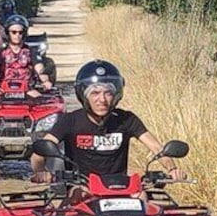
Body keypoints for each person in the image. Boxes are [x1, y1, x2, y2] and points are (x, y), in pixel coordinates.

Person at [30, 60, 185, 184]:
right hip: (82, 187)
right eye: (95, 93)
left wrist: (172, 169)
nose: (102, 100)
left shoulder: (127, 119)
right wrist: (41, 172)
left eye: (108, 93)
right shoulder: (71, 120)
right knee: (73, 201)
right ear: (84, 96)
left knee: (142, 198)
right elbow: (39, 152)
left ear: (116, 95)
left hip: (120, 187)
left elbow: (157, 148)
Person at [0, 14, 52, 97]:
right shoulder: (1, 52)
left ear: (25, 33)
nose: (17, 35)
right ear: (8, 33)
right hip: (3, 89)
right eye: (14, 32)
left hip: (28, 89)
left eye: (21, 32)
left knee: (41, 101)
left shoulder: (31, 51)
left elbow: (39, 68)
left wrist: (45, 81)